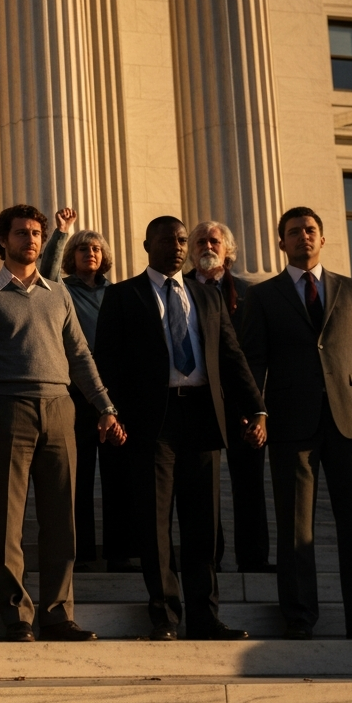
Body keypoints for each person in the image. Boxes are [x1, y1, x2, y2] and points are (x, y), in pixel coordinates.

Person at [93, 216, 266, 641]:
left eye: (182, 240)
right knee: (155, 524)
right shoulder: (121, 296)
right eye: (168, 239)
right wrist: (109, 410)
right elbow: (107, 360)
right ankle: (166, 617)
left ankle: (206, 617)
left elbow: (231, 355)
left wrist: (256, 409)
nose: (177, 246)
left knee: (203, 526)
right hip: (153, 422)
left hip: (204, 418)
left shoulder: (206, 298)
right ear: (147, 242)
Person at [239, 207, 352, 641]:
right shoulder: (264, 295)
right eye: (294, 232)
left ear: (323, 239)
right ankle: (299, 617)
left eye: (310, 231)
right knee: (295, 527)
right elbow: (253, 359)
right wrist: (256, 411)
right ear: (281, 243)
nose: (303, 237)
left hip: (351, 422)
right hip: (291, 422)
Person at [0, 205, 122, 643]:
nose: (31, 239)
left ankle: (58, 613)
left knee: (62, 519)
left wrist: (105, 406)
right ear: (3, 240)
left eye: (36, 233)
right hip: (5, 409)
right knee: (8, 522)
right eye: (21, 233)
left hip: (59, 408)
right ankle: (17, 614)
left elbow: (80, 355)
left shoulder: (59, 294)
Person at [185, 221, 274, 574]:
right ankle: (209, 559)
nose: (208, 246)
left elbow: (260, 355)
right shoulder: (181, 290)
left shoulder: (253, 295)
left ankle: (253, 558)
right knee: (201, 488)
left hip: (244, 404)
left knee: (249, 484)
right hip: (197, 403)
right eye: (200, 241)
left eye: (214, 241)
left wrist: (258, 409)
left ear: (228, 249)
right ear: (191, 250)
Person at [49, 229, 138, 572]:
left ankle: (120, 553)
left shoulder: (118, 293)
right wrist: (59, 235)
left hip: (113, 394)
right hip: (75, 394)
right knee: (78, 477)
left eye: (97, 248)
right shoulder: (61, 290)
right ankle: (82, 553)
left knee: (119, 477)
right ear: (72, 255)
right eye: (83, 248)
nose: (91, 253)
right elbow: (47, 269)